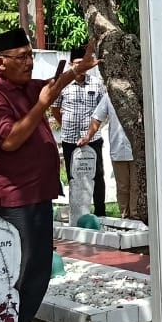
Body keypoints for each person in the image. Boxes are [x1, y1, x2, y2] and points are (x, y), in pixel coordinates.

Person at [0, 28, 91, 322]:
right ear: (0, 63)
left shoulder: (25, 87)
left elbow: (51, 86)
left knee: (39, 265)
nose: (29, 62)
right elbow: (11, 140)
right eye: (22, 57)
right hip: (9, 196)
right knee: (18, 268)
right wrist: (41, 106)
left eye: (31, 55)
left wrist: (75, 70)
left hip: (37, 191)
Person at [52, 48, 107, 217]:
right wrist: (65, 124)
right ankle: (77, 212)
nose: (81, 67)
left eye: (83, 64)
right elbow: (55, 108)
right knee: (73, 176)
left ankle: (100, 212)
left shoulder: (97, 83)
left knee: (97, 175)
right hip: (70, 138)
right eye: (77, 64)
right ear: (71, 64)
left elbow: (103, 110)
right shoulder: (63, 83)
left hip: (93, 138)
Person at [83, 91, 138, 219]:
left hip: (137, 148)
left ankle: (136, 215)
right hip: (118, 147)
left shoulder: (138, 92)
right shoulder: (109, 96)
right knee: (122, 185)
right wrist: (88, 137)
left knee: (136, 185)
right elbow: (97, 118)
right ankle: (125, 214)